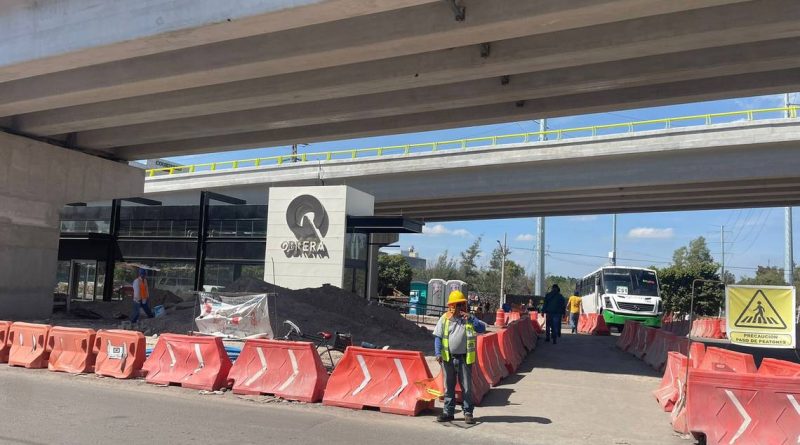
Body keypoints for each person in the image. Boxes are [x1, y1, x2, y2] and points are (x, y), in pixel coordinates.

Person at [433, 290, 487, 424]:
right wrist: (438, 353)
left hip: (464, 358)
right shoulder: (444, 319)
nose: (460, 308)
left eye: (462, 304)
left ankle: (468, 412)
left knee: (467, 387)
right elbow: (438, 337)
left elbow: (481, 329)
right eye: (457, 305)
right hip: (448, 358)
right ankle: (448, 412)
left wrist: (472, 318)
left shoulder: (469, 319)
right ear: (451, 306)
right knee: (449, 386)